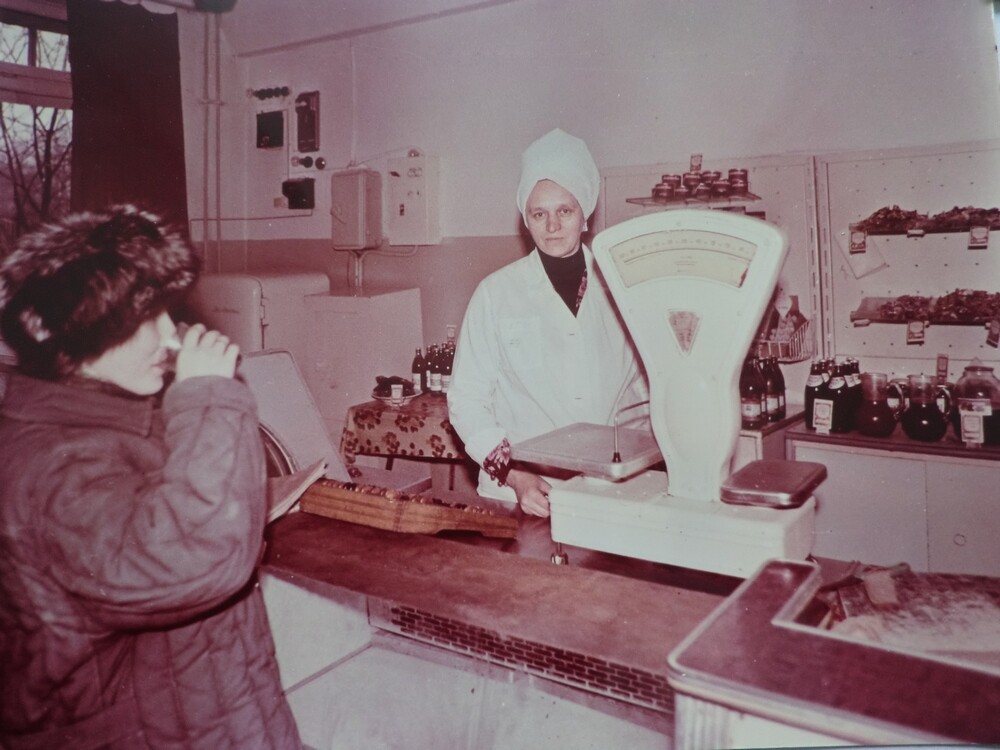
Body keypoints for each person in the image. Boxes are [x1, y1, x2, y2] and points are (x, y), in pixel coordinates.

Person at [0, 205, 303, 750]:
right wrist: (207, 396)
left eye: (166, 312)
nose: (169, 336)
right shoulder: (51, 466)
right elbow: (195, 558)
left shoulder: (110, 415)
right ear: (64, 339)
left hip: (210, 715)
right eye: (144, 319)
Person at [447, 129, 649, 517]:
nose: (552, 225)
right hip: (521, 490)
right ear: (526, 220)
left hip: (608, 486)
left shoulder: (622, 286)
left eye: (565, 211)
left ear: (585, 215)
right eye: (539, 214)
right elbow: (467, 400)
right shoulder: (495, 293)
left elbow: (642, 393)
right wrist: (515, 474)